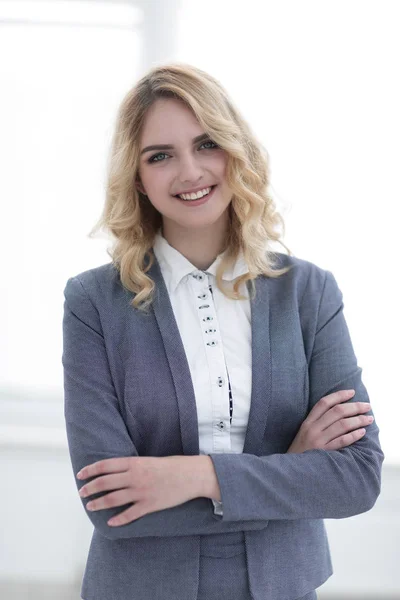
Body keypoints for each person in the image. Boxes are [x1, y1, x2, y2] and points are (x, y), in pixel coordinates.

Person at [62, 63, 384, 600]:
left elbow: (355, 478)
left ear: (236, 152)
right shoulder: (94, 303)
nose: (189, 171)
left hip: (283, 585)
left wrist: (194, 477)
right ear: (137, 178)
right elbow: (114, 505)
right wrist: (290, 475)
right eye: (159, 155)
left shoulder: (308, 293)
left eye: (206, 144)